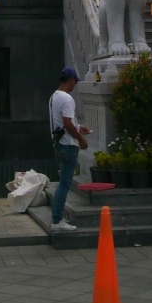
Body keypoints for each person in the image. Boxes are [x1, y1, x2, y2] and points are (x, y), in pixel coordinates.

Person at [49, 67, 90, 232]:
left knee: (63, 183)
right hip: (68, 145)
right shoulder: (67, 98)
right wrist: (80, 139)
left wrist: (79, 127)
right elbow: (67, 123)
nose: (75, 84)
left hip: (58, 144)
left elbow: (62, 122)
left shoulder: (54, 96)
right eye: (75, 81)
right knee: (65, 184)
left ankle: (57, 218)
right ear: (71, 79)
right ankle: (57, 220)